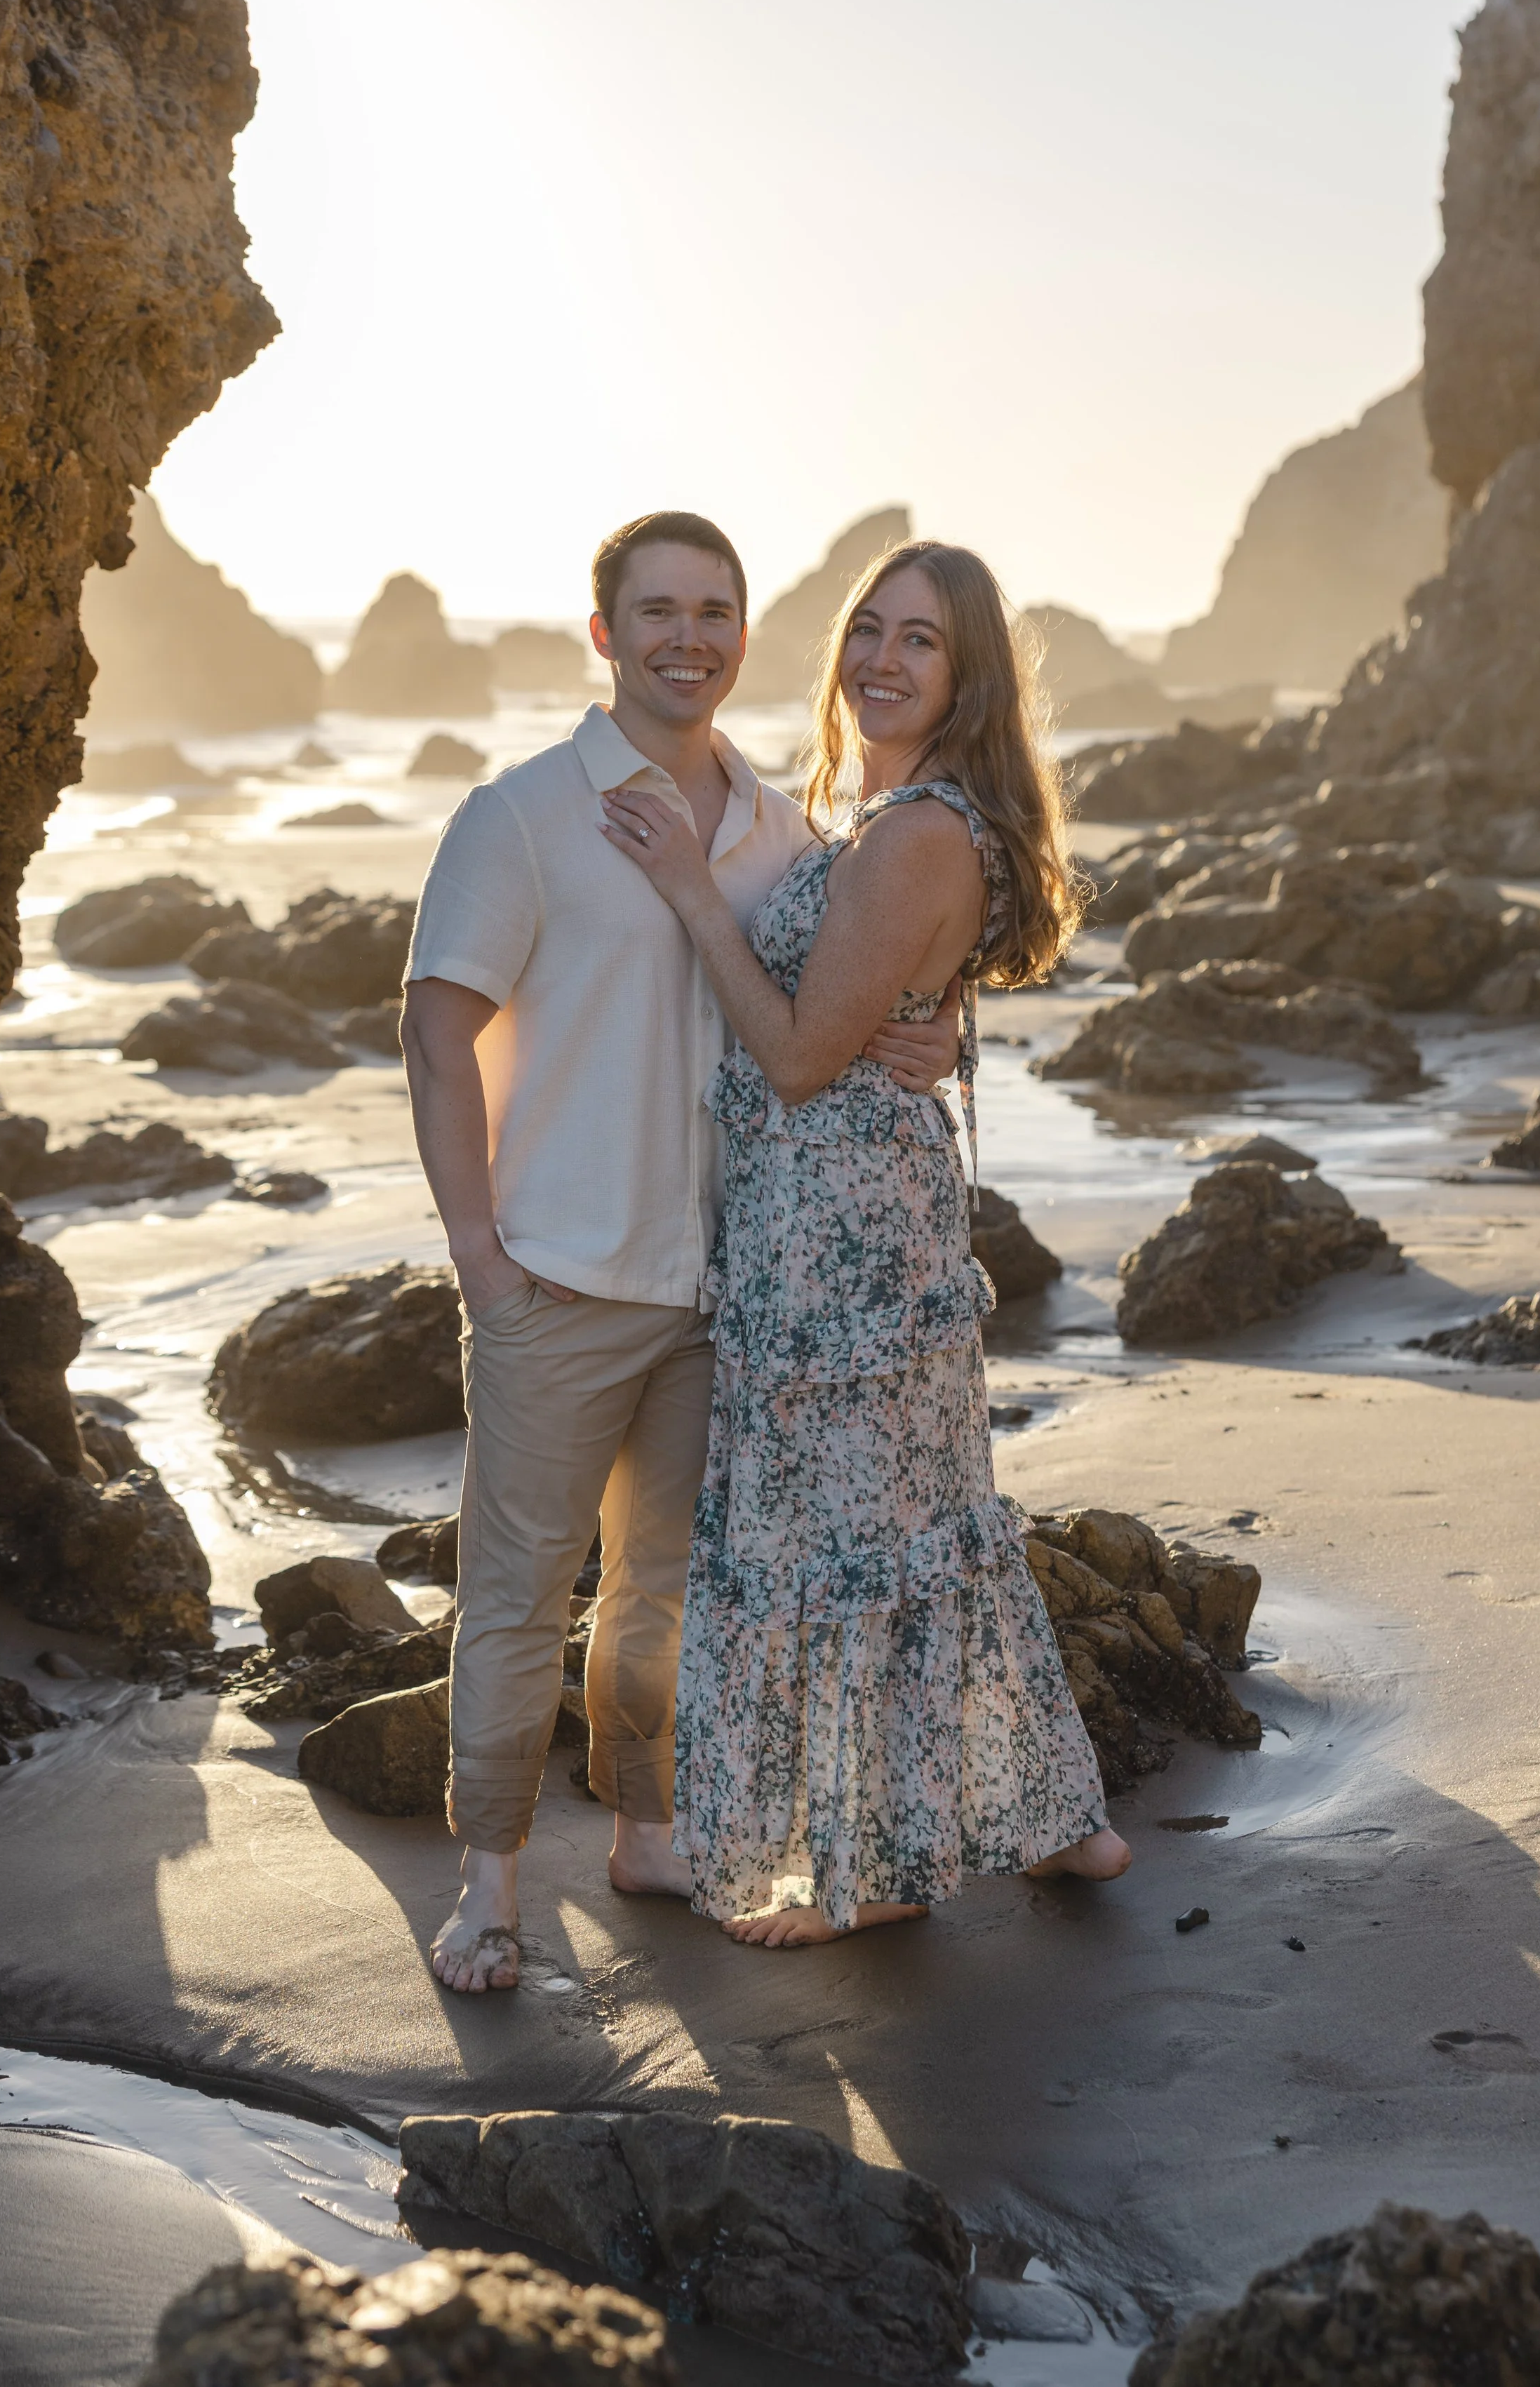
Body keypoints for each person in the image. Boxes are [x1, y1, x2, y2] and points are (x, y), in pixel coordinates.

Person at [401, 512, 958, 1991]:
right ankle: (488, 1888)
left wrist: (935, 1026)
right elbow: (434, 1031)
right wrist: (481, 1258)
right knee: (518, 1596)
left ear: (742, 635)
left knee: (663, 1591)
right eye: (656, 610)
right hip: (558, 1281)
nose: (687, 636)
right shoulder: (520, 816)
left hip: (727, 1293)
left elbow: (836, 1003)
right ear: (605, 632)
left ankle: (646, 1832)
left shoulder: (780, 835)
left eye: (714, 610)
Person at [598, 539, 1130, 1946]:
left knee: (848, 1538)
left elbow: (787, 1058)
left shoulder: (911, 834)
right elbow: (876, 1000)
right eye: (868, 632)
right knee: (920, 1523)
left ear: (962, 682)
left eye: (920, 643)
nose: (882, 663)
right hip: (850, 1216)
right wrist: (933, 1022)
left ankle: (883, 1875)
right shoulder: (904, 819)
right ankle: (1061, 1822)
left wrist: (691, 892)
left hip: (835, 1237)